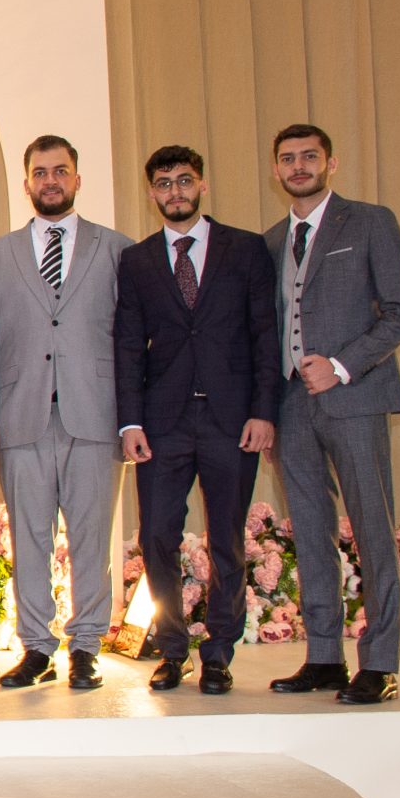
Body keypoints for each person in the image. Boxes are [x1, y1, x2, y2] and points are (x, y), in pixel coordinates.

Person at [0, 134, 132, 691]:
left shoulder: (117, 250)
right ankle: (37, 647)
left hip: (95, 414)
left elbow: (133, 341)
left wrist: (133, 416)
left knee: (91, 538)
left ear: (77, 179)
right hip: (20, 416)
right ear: (27, 182)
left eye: (60, 171)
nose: (51, 181)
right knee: (29, 539)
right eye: (41, 172)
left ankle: (87, 646)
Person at [262, 123, 400, 706]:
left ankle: (380, 663)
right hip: (291, 406)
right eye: (288, 159)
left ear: (331, 163)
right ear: (276, 170)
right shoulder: (271, 241)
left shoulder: (370, 222)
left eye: (310, 156)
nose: (298, 166)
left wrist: (342, 366)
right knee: (310, 531)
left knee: (372, 527)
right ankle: (325, 656)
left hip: (355, 398)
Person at [114, 145, 278, 695]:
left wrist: (263, 411)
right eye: (164, 184)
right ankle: (172, 650)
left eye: (184, 181)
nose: (175, 192)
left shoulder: (245, 249)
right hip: (163, 423)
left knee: (227, 538)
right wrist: (130, 423)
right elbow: (128, 347)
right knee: (157, 536)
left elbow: (265, 335)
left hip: (232, 420)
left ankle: (219, 654)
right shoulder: (137, 261)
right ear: (152, 193)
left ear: (202, 185)